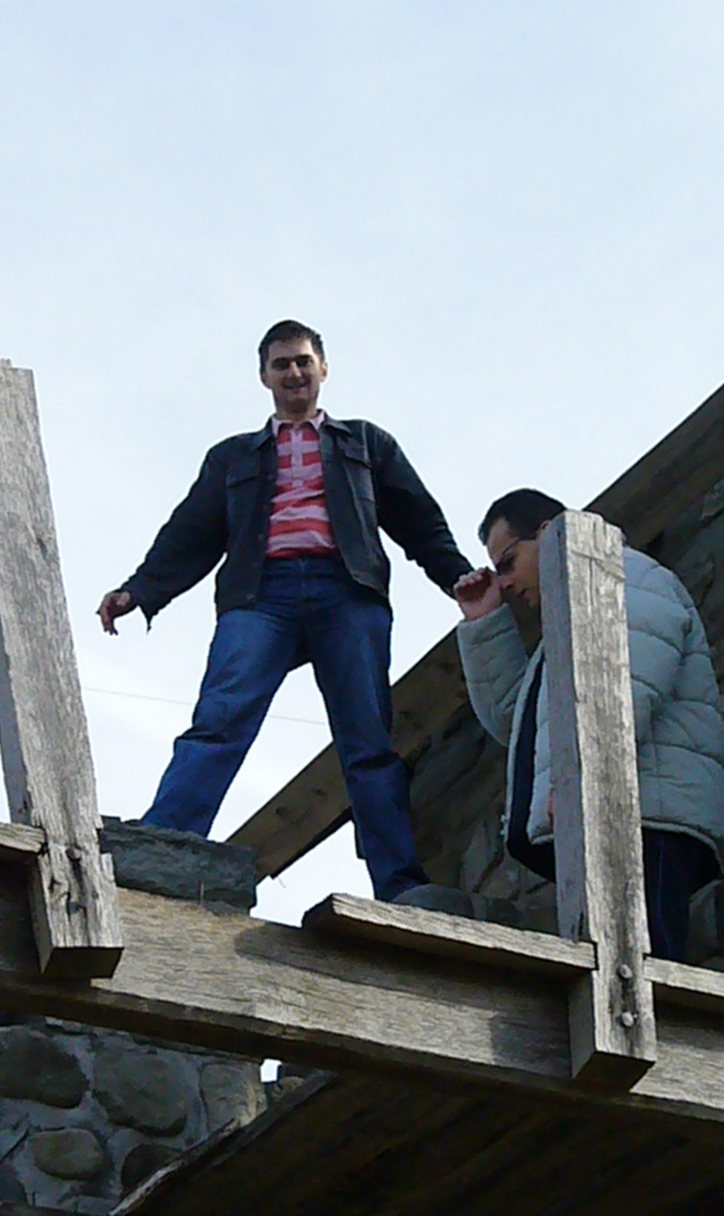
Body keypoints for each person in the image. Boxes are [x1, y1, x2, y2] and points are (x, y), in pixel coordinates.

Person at [98, 319, 472, 901]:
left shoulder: (365, 444)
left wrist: (456, 576)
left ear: (323, 368)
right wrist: (140, 590)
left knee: (368, 742)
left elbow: (418, 519)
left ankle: (399, 885)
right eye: (281, 364)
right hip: (260, 594)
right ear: (264, 377)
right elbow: (191, 532)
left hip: (346, 590)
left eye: (302, 361)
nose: (294, 372)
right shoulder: (234, 456)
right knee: (220, 718)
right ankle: (166, 840)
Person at [452, 488, 724, 961]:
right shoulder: (573, 617)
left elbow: (627, 685)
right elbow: (523, 725)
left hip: (648, 819)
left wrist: (580, 776)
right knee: (628, 964)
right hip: (622, 816)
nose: (507, 582)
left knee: (645, 967)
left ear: (548, 533)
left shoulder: (627, 577)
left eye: (509, 563)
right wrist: (485, 622)